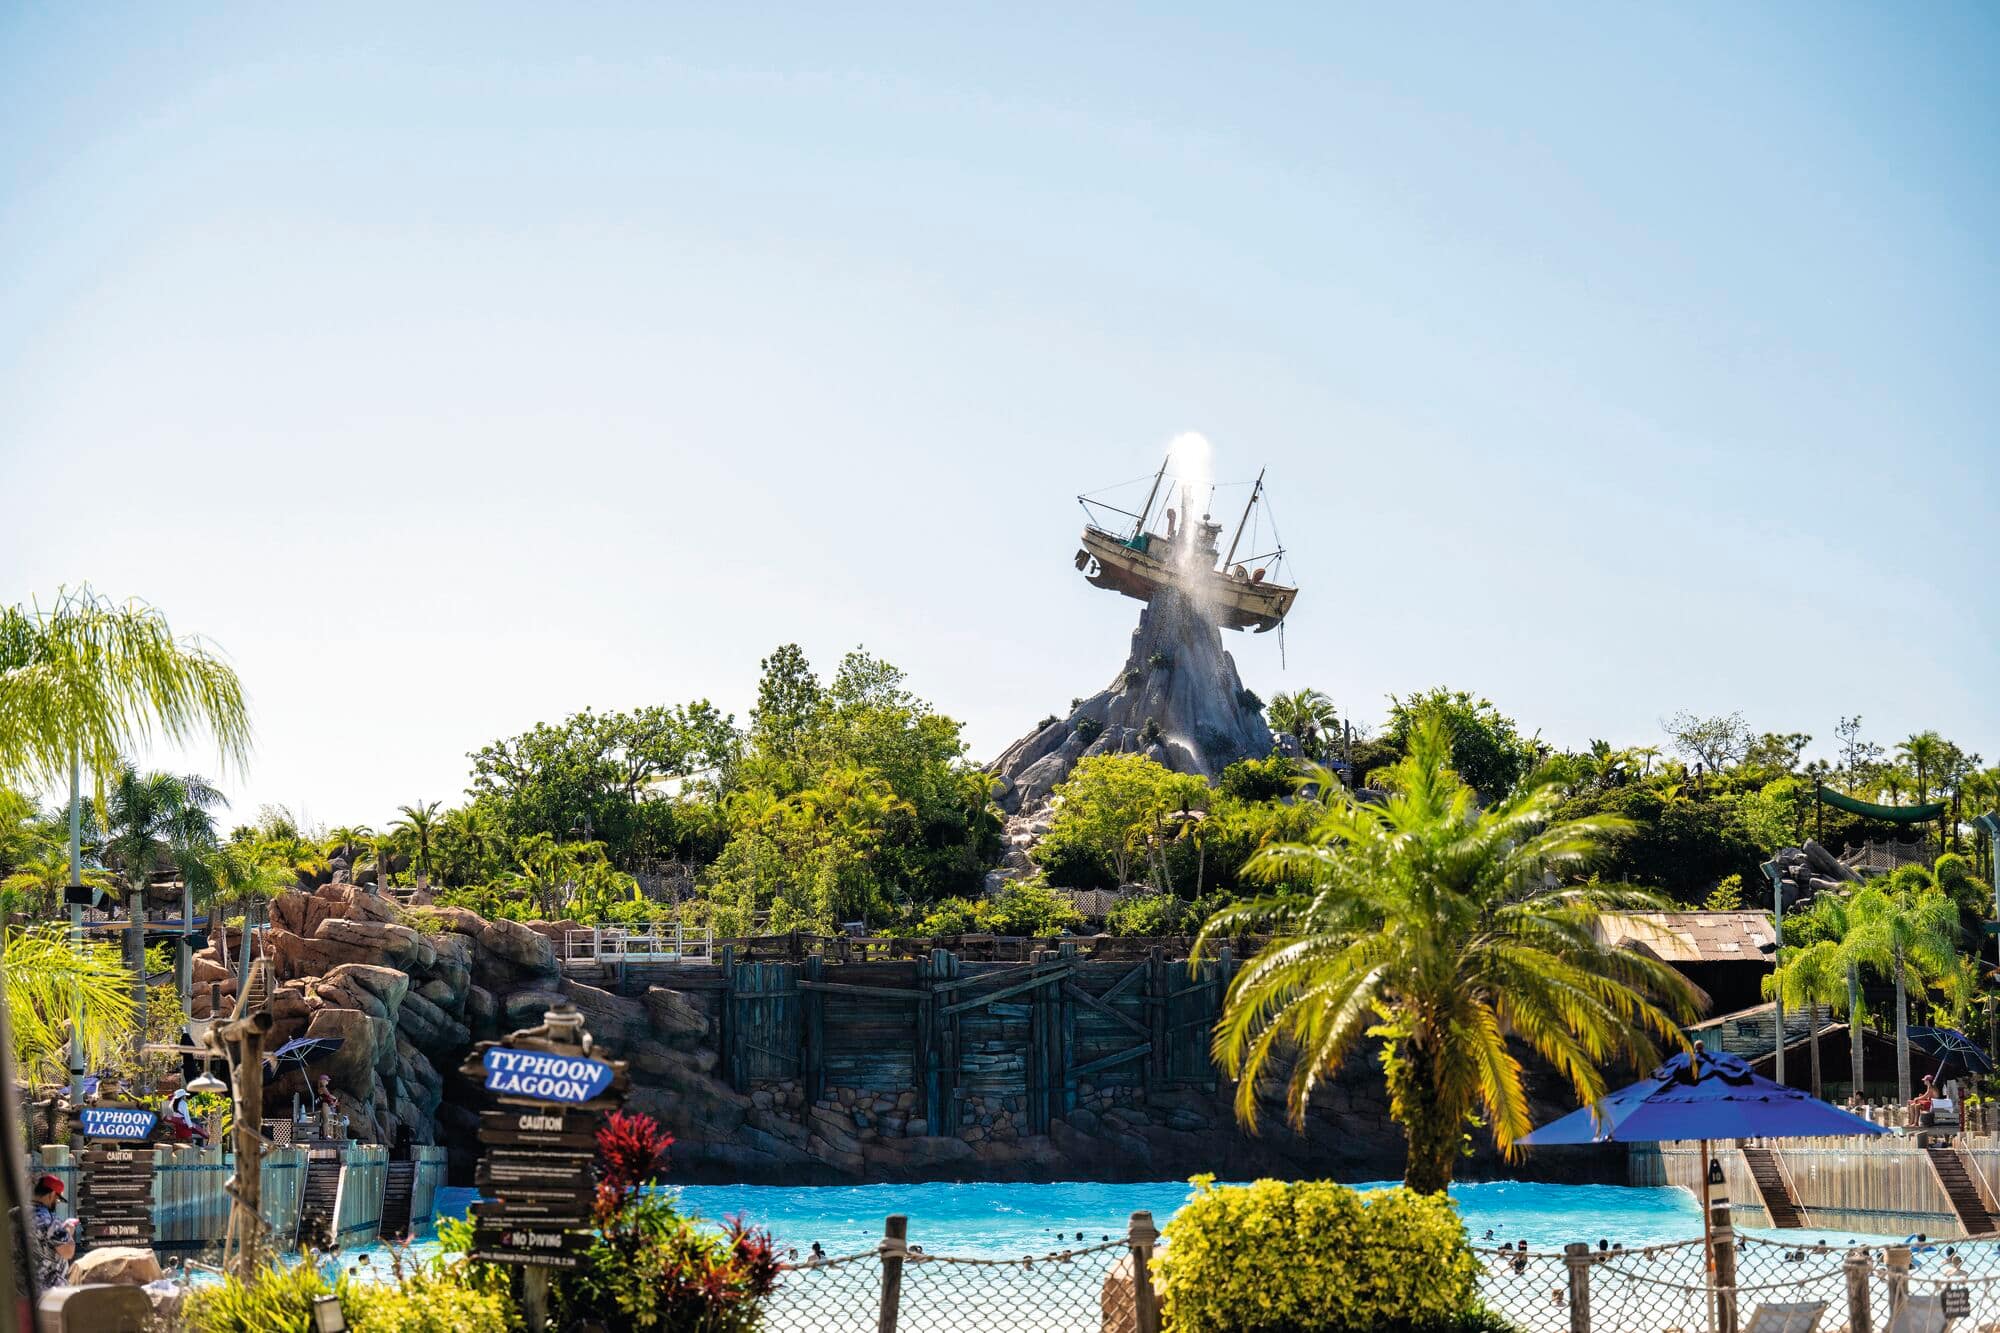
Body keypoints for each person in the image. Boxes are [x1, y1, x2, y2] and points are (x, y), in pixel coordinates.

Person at [29, 1175, 75, 1293]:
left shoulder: (12, 1214)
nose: (57, 1203)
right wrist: (68, 1232)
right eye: (57, 1200)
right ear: (52, 1195)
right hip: (44, 1294)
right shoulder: (49, 1220)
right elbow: (68, 1252)